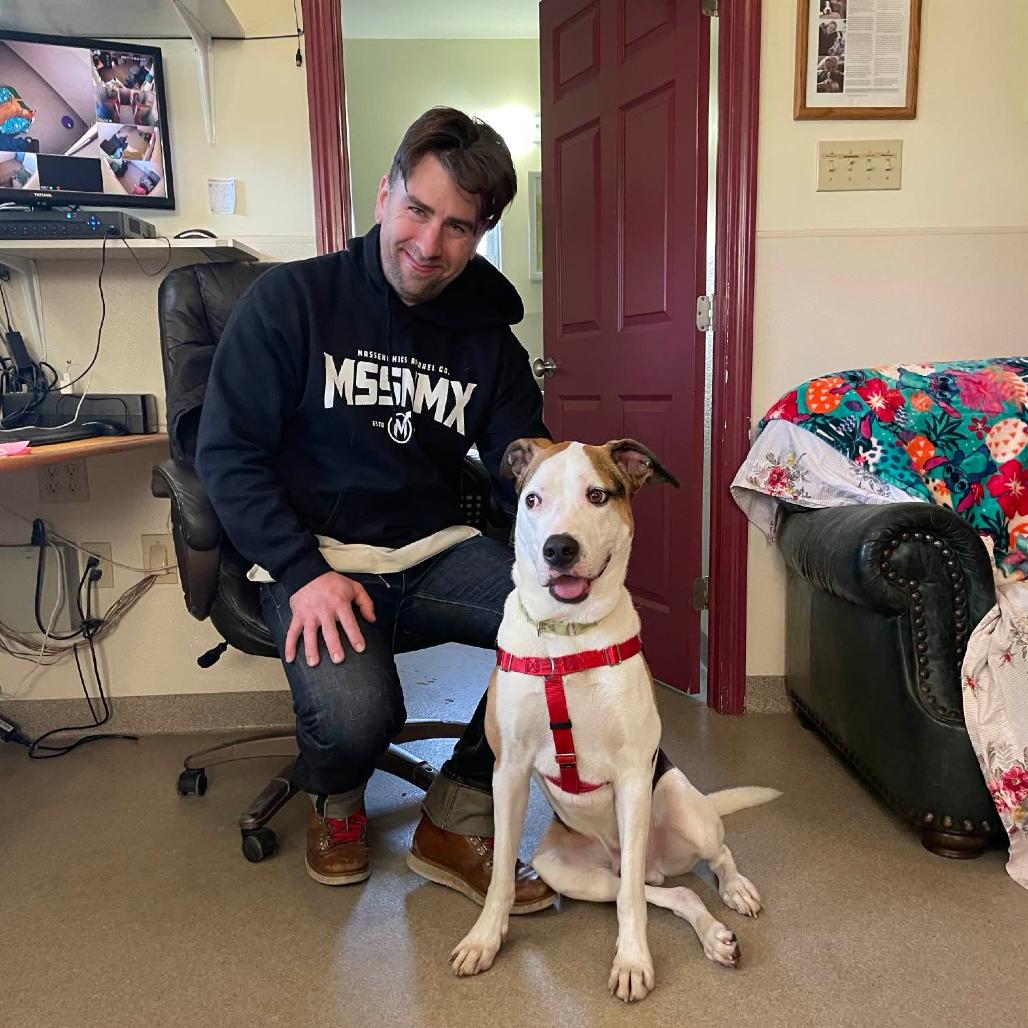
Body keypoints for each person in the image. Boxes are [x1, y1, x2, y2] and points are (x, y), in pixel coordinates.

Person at [195, 107, 555, 912]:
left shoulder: (487, 336)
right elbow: (226, 454)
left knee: (559, 626)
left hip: (431, 547)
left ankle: (455, 816)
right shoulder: (291, 301)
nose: (429, 247)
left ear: (483, 230)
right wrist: (301, 571)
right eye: (418, 211)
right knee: (361, 714)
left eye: (459, 227)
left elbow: (518, 457)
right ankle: (337, 799)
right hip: (312, 553)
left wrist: (565, 499)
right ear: (386, 191)